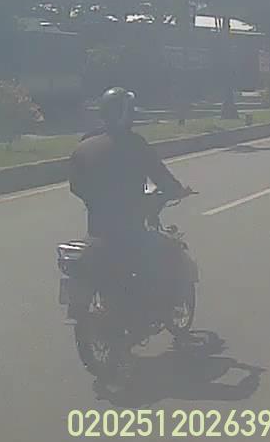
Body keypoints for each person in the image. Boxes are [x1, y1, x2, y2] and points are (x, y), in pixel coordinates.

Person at [69, 88, 191, 300]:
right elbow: (162, 178)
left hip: (95, 232)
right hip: (132, 232)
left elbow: (75, 186)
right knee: (169, 253)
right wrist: (177, 190)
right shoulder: (135, 144)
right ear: (126, 114)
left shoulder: (84, 145)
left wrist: (96, 200)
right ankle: (157, 304)